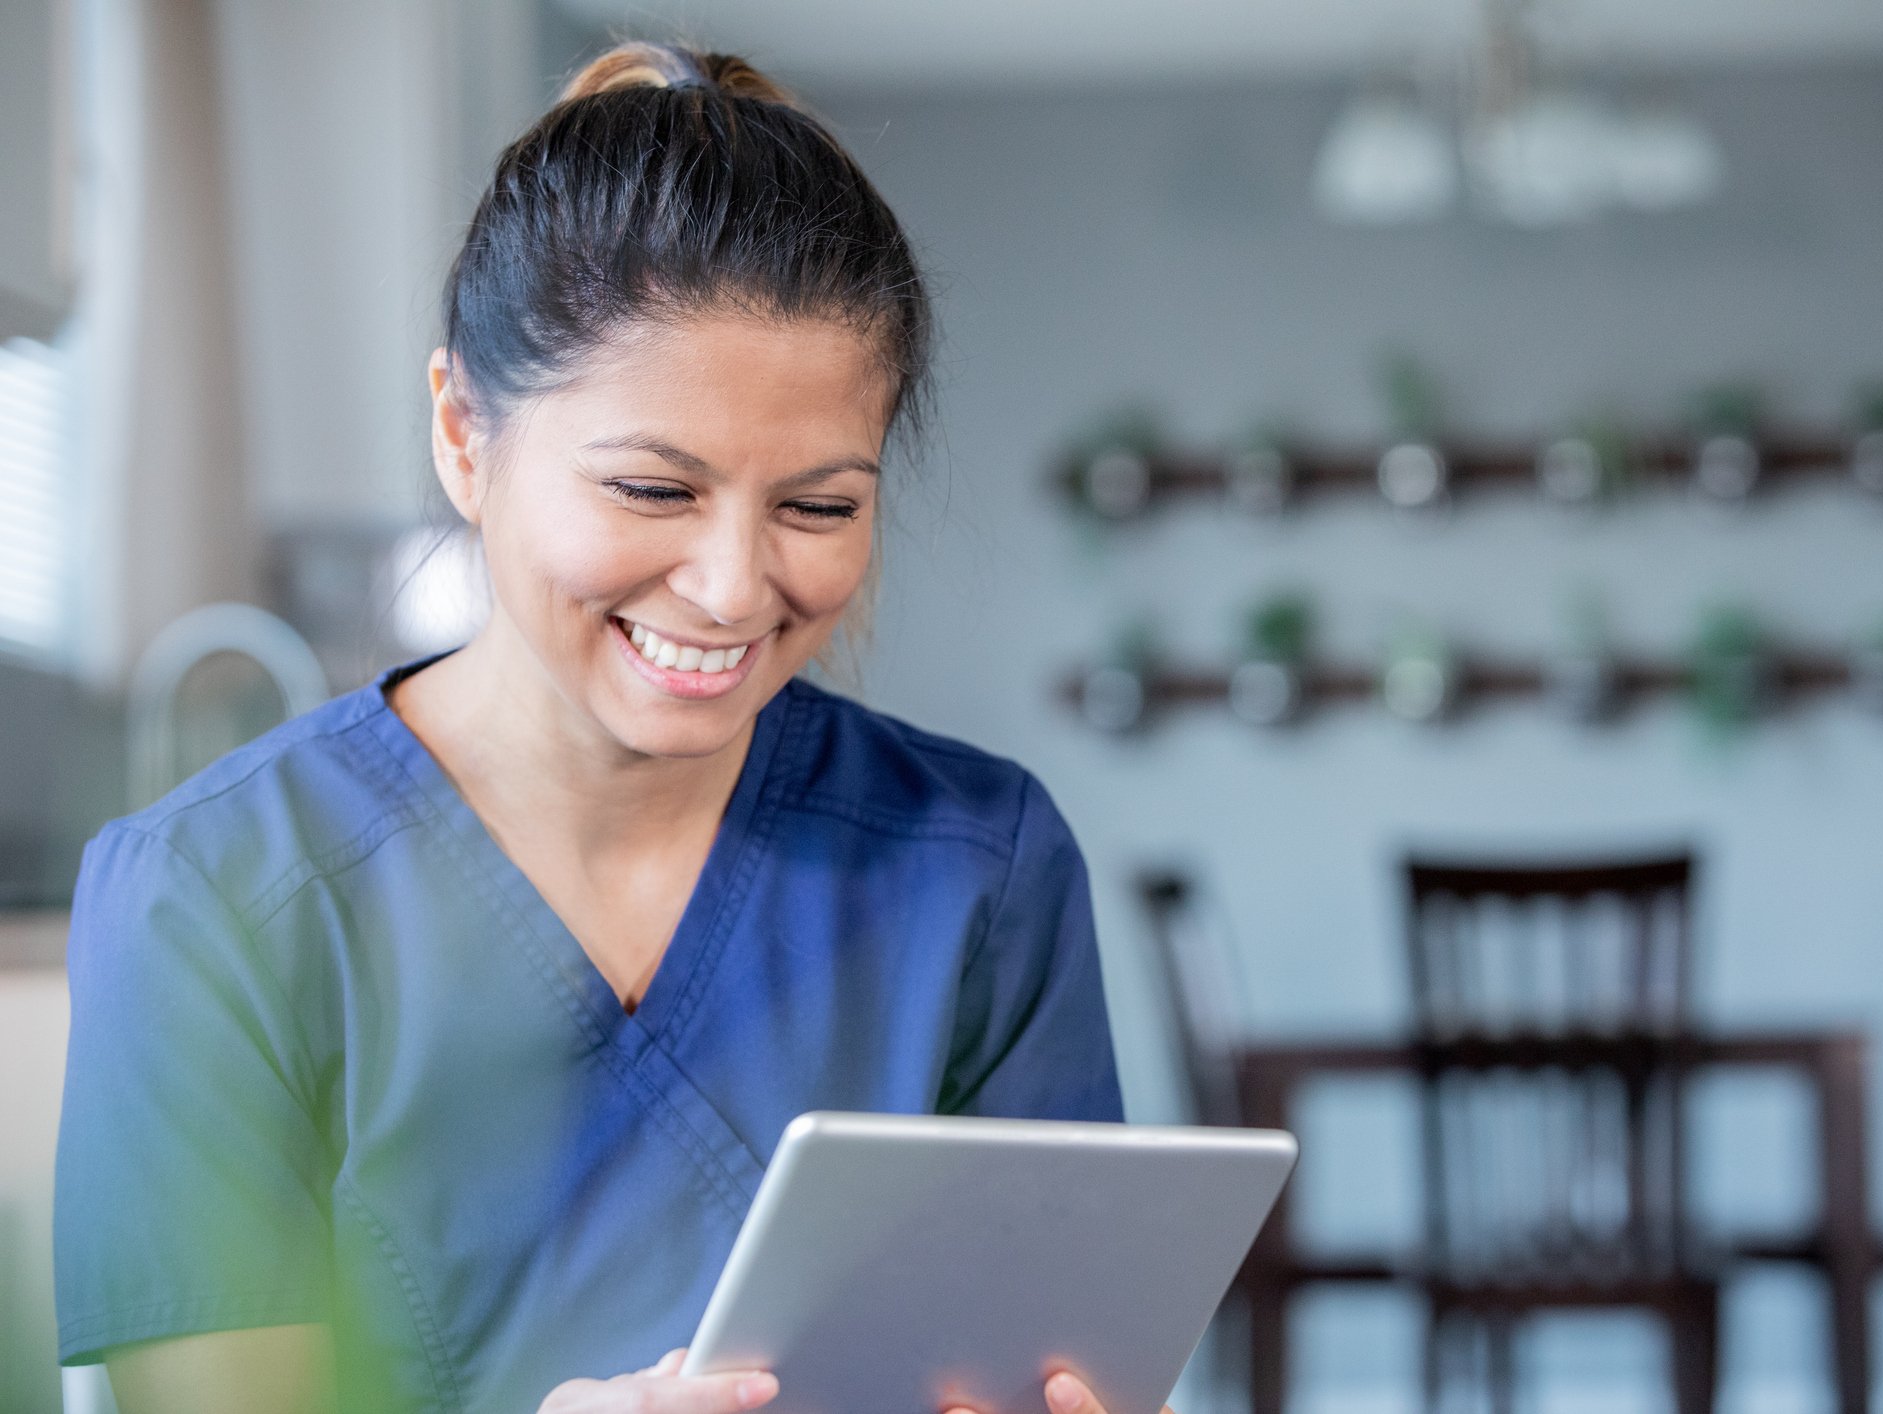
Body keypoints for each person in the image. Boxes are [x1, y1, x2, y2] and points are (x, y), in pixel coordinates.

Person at [55, 42, 1133, 1414]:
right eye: (650, 487)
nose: (736, 585)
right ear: (462, 431)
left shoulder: (978, 859)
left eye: (817, 506)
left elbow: (1044, 1354)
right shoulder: (212, 899)